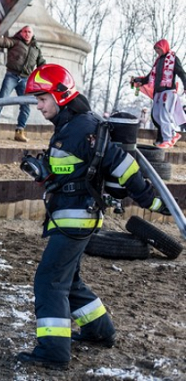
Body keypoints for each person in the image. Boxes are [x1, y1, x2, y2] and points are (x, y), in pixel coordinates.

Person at [17, 64, 169, 370]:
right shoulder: (70, 126)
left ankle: (53, 351)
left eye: (43, 98)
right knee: (68, 279)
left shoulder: (82, 128)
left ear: (60, 95)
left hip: (75, 219)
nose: (38, 105)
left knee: (49, 281)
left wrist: (149, 199)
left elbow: (122, 164)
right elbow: (73, 166)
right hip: (72, 215)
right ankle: (100, 332)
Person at [0, 25, 46, 142]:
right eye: (25, 31)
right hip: (12, 76)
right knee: (1, 99)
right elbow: (3, 41)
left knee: (25, 106)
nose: (27, 34)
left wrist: (48, 71)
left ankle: (20, 131)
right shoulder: (15, 41)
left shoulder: (36, 48)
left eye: (29, 32)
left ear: (32, 34)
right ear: (21, 32)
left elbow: (41, 64)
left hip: (25, 79)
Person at [132, 39, 186, 148]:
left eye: (159, 49)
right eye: (156, 50)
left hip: (168, 91)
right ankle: (173, 134)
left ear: (164, 47)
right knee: (156, 116)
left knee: (164, 115)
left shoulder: (173, 59)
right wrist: (138, 80)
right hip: (158, 92)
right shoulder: (157, 62)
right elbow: (149, 77)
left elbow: (181, 73)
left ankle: (167, 139)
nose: (157, 51)